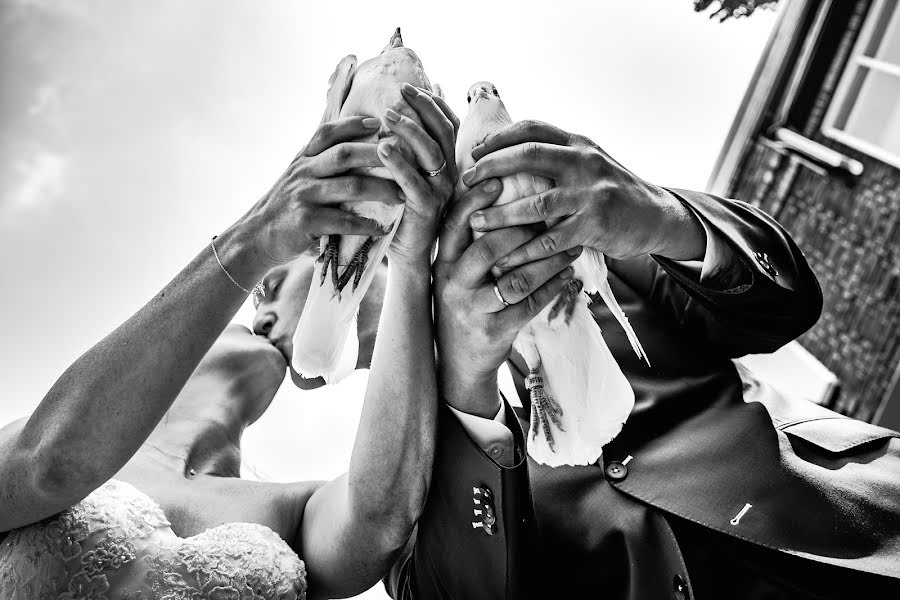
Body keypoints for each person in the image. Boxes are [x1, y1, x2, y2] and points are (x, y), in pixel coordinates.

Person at [385, 120, 900, 599]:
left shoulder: (586, 249)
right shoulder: (389, 488)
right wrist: (465, 384)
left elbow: (786, 304)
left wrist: (659, 215)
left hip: (856, 524)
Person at [0, 80, 454, 599]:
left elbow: (381, 519)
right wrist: (257, 235)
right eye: (255, 299)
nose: (259, 309)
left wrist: (413, 260)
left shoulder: (292, 509)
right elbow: (52, 463)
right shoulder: (29, 437)